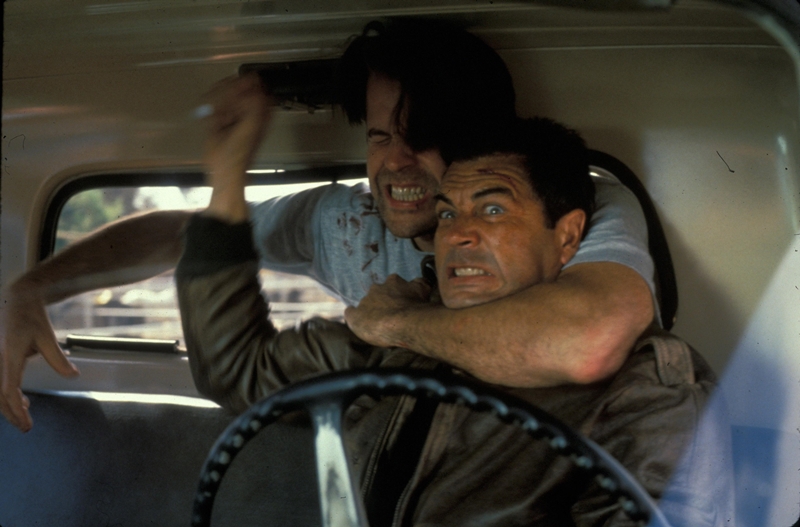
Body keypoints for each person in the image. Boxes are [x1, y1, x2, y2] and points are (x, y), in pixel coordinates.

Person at [0, 18, 655, 433]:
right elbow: (185, 236)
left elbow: (588, 338)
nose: (395, 162)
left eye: (422, 135)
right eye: (378, 137)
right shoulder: (347, 222)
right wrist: (34, 288)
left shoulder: (571, 207)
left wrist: (395, 325)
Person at [177, 117, 731, 526]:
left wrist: (396, 324)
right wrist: (226, 177)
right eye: (447, 213)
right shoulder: (398, 339)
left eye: (492, 209)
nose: (458, 234)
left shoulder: (647, 391)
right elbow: (236, 370)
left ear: (567, 236)